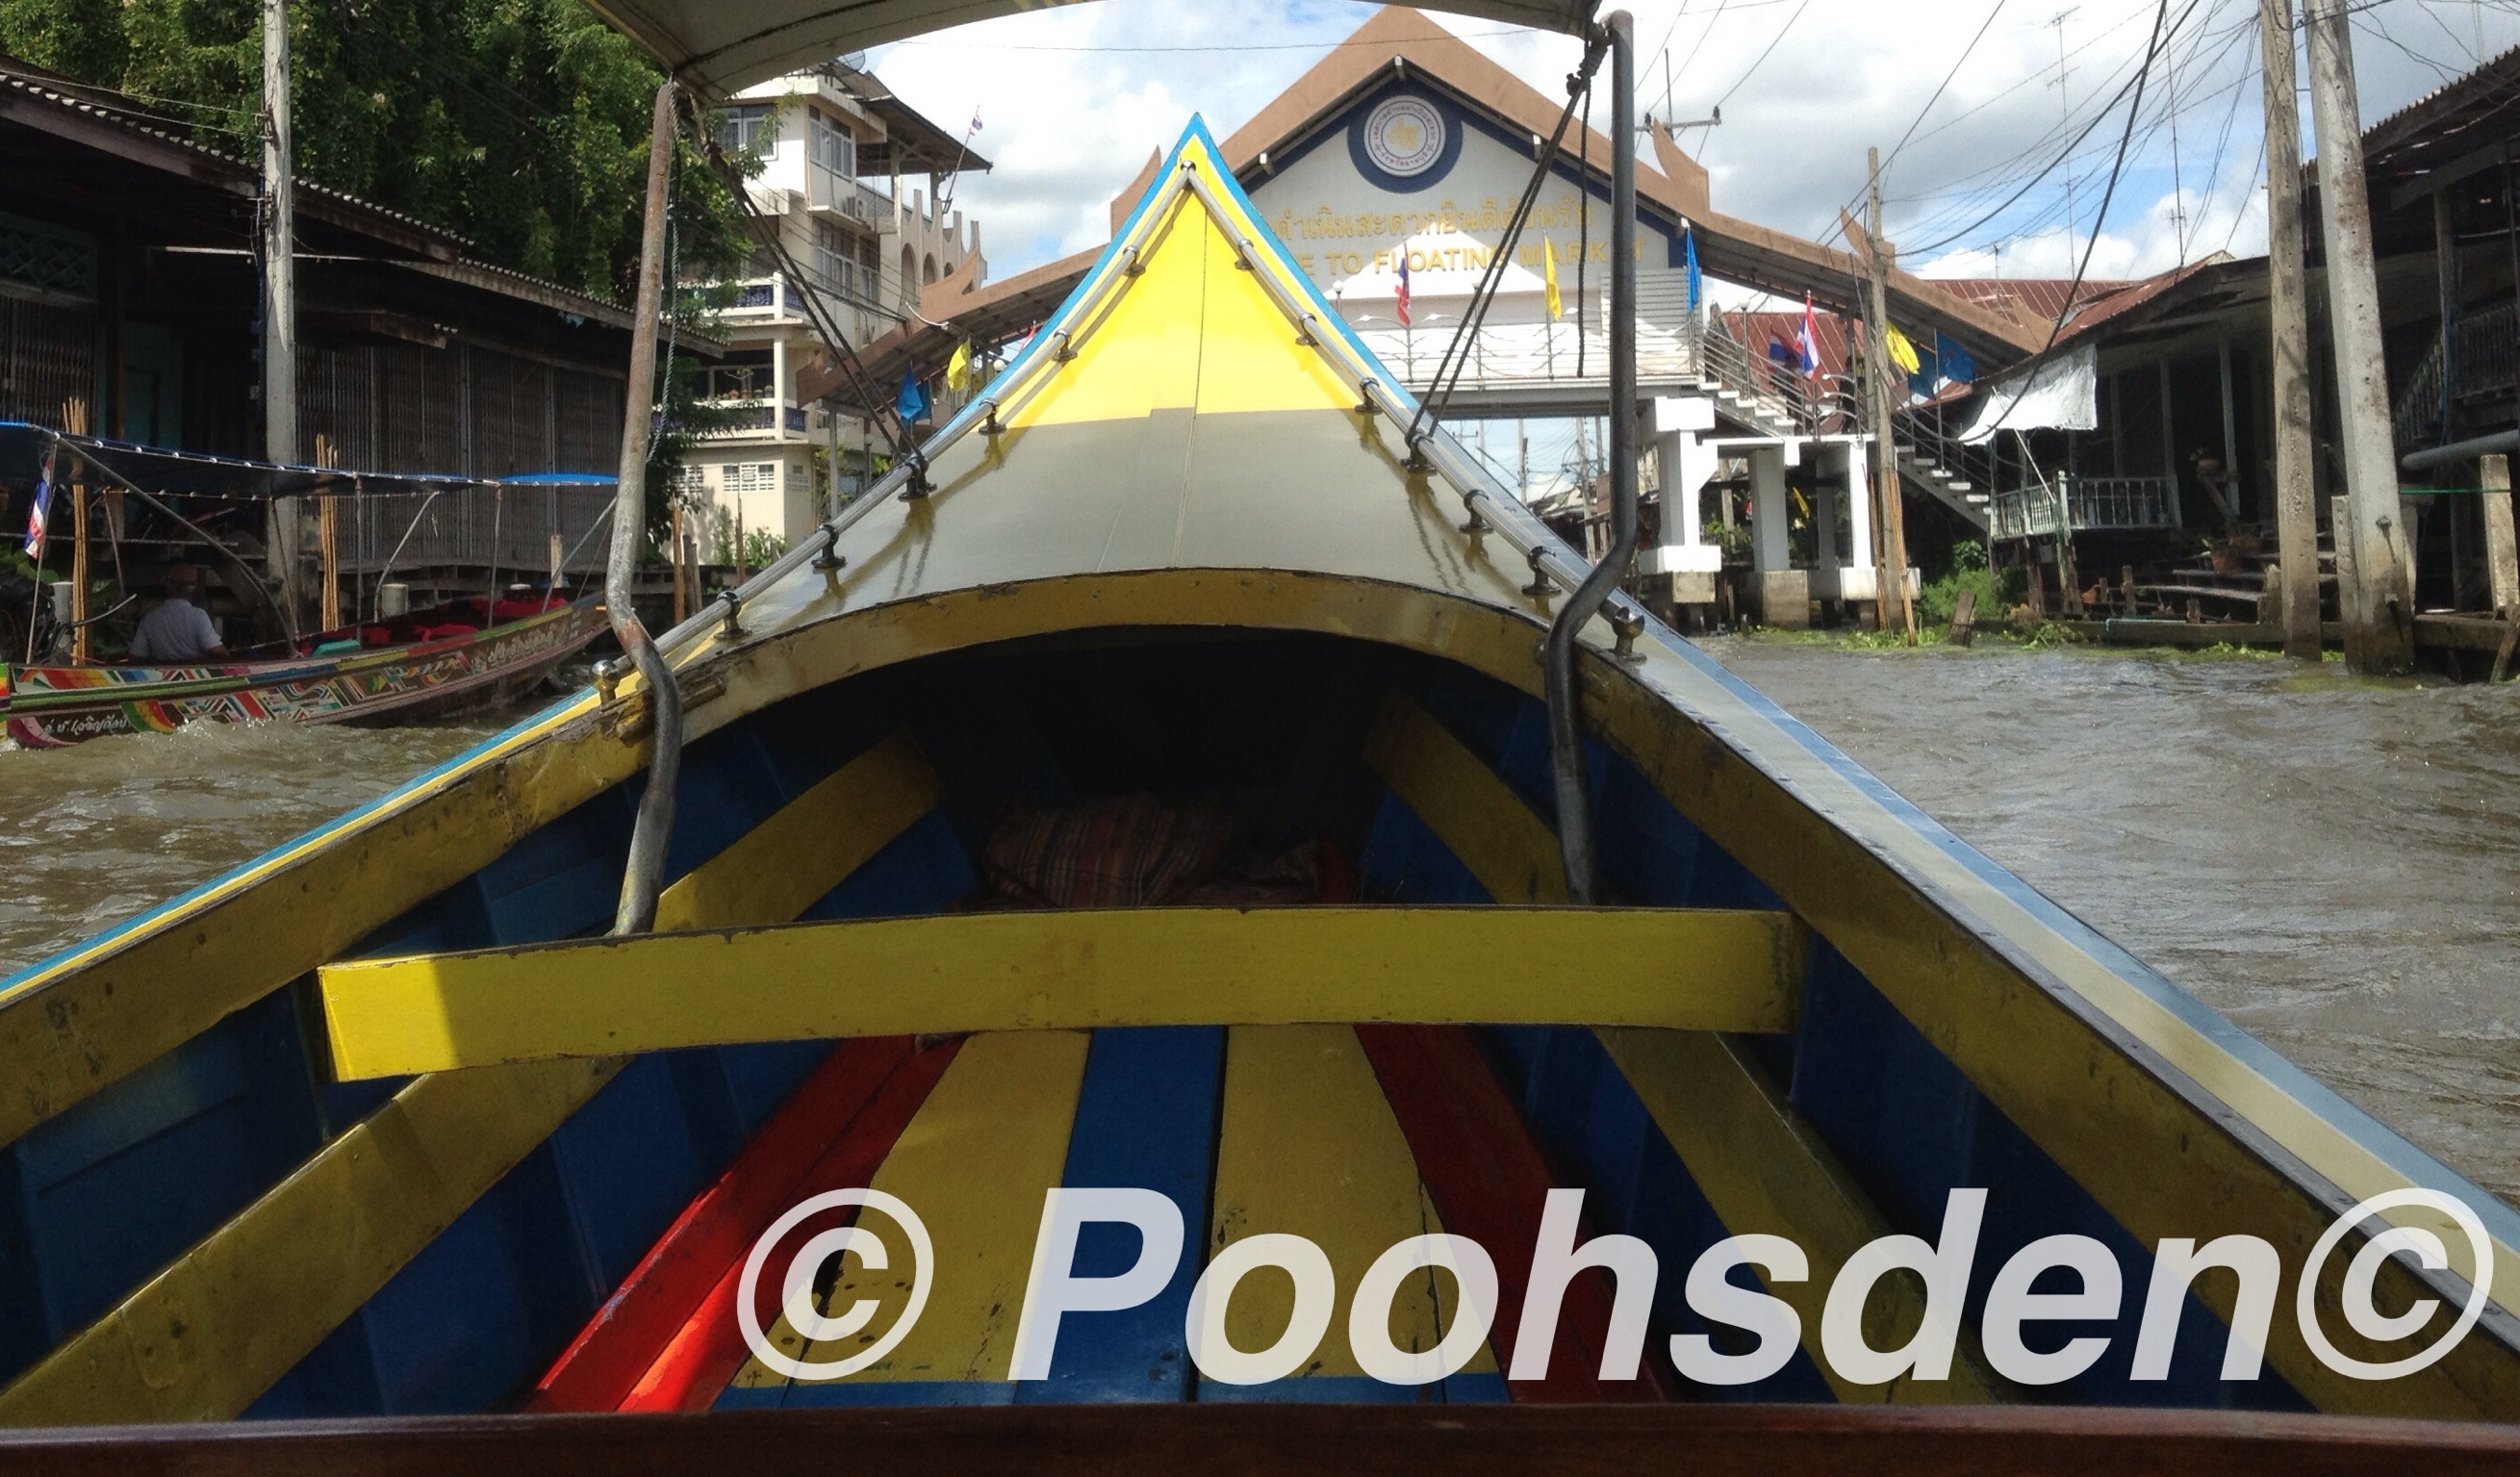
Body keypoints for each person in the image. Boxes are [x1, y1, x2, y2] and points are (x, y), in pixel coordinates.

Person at [127, 563, 230, 663]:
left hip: (163, 676)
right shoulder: (198, 616)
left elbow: (134, 656)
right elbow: (217, 651)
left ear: (166, 586)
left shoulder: (149, 619)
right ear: (194, 588)